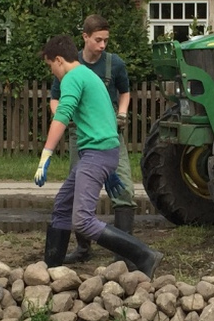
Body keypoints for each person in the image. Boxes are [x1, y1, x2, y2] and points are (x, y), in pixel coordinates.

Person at [36, 34, 162, 278]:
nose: (52, 72)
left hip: (97, 154)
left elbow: (62, 115)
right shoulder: (89, 75)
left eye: (50, 66)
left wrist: (45, 155)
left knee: (82, 219)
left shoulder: (72, 78)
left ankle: (144, 255)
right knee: (63, 204)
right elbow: (102, 120)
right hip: (100, 152)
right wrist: (111, 168)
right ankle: (52, 270)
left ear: (59, 60)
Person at [49, 14, 135, 264]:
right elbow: (56, 99)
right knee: (78, 192)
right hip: (82, 137)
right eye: (98, 40)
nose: (103, 45)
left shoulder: (114, 64)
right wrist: (64, 117)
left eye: (106, 40)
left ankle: (124, 254)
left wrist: (121, 114)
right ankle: (84, 249)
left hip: (110, 135)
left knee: (124, 190)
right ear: (85, 37)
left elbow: (125, 92)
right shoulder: (68, 63)